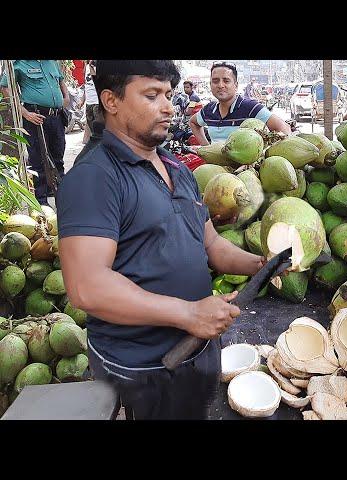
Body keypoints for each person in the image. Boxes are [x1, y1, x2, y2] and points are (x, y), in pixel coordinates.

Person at [57, 60, 267, 420]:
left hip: (198, 349)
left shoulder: (176, 168)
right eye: (151, 95)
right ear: (111, 100)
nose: (168, 106)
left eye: (169, 94)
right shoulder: (94, 177)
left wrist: (259, 263)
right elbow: (86, 287)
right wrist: (187, 313)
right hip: (143, 367)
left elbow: (211, 245)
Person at [0, 60, 70, 207]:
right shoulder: (19, 63)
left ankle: (63, 200)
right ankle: (42, 204)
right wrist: (25, 113)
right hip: (35, 118)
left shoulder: (52, 62)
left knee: (58, 159)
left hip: (56, 117)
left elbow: (60, 80)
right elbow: (5, 87)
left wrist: (66, 98)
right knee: (37, 160)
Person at [189, 62, 291, 144]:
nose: (220, 85)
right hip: (216, 168)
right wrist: (206, 147)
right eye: (215, 81)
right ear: (210, 85)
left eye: (226, 81)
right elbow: (193, 122)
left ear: (236, 85)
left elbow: (284, 128)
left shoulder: (250, 108)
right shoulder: (208, 110)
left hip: (244, 169)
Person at [82, 60, 102, 144]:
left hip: (97, 102)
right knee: (91, 127)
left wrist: (91, 67)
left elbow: (97, 81)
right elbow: (86, 85)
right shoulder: (85, 67)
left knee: (100, 129)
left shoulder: (99, 66)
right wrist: (82, 100)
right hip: (89, 102)